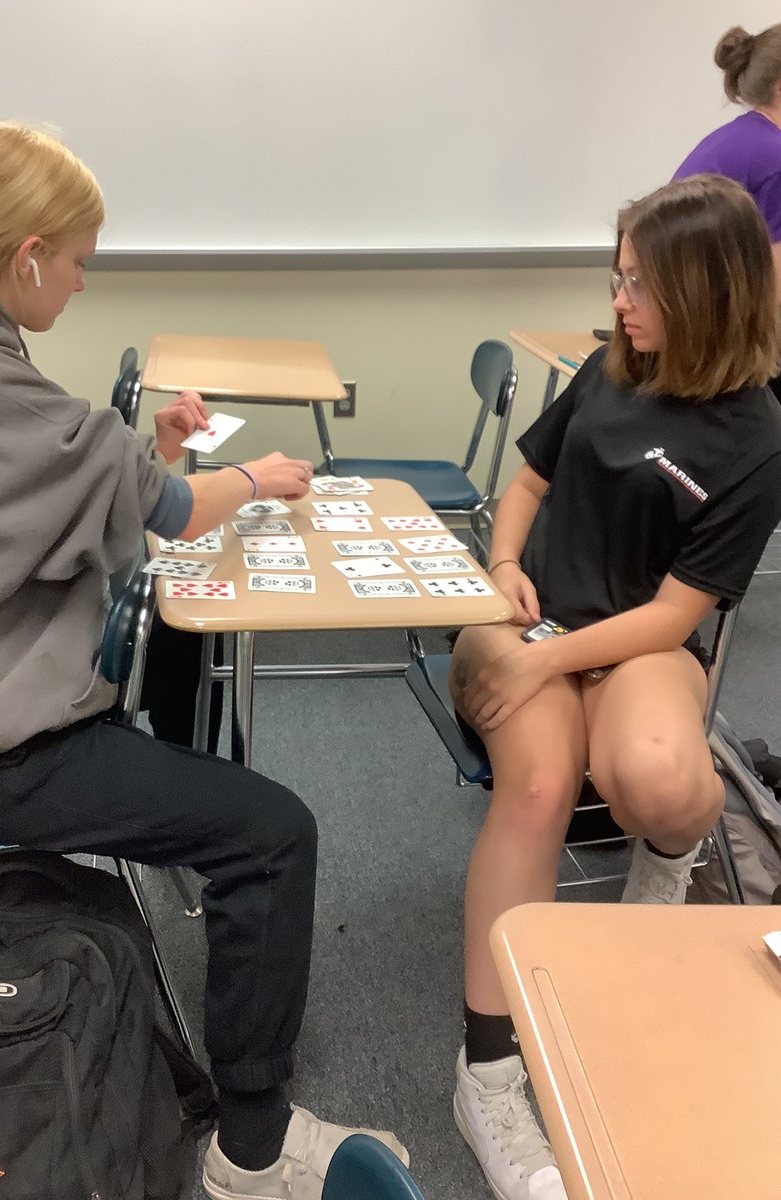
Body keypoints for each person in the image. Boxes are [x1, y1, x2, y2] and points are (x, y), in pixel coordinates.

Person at [0, 122, 408, 1200]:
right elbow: (159, 505)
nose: (80, 283)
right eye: (78, 260)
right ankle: (251, 1152)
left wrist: (151, 452)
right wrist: (251, 475)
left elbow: (63, 491)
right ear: (26, 254)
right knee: (272, 834)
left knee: (182, 690)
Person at [447, 174, 781, 1200]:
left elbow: (681, 616)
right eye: (617, 275)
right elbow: (530, 483)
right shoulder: (606, 369)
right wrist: (503, 570)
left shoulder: (758, 432)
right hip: (534, 618)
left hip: (639, 640)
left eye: (638, 281)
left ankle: (668, 872)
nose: (618, 298)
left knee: (659, 780)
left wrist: (562, 660)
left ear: (704, 288)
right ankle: (489, 1072)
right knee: (541, 789)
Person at [674, 24, 781, 397]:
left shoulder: (739, 138)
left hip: (690, 323)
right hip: (720, 338)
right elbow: (773, 285)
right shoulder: (774, 156)